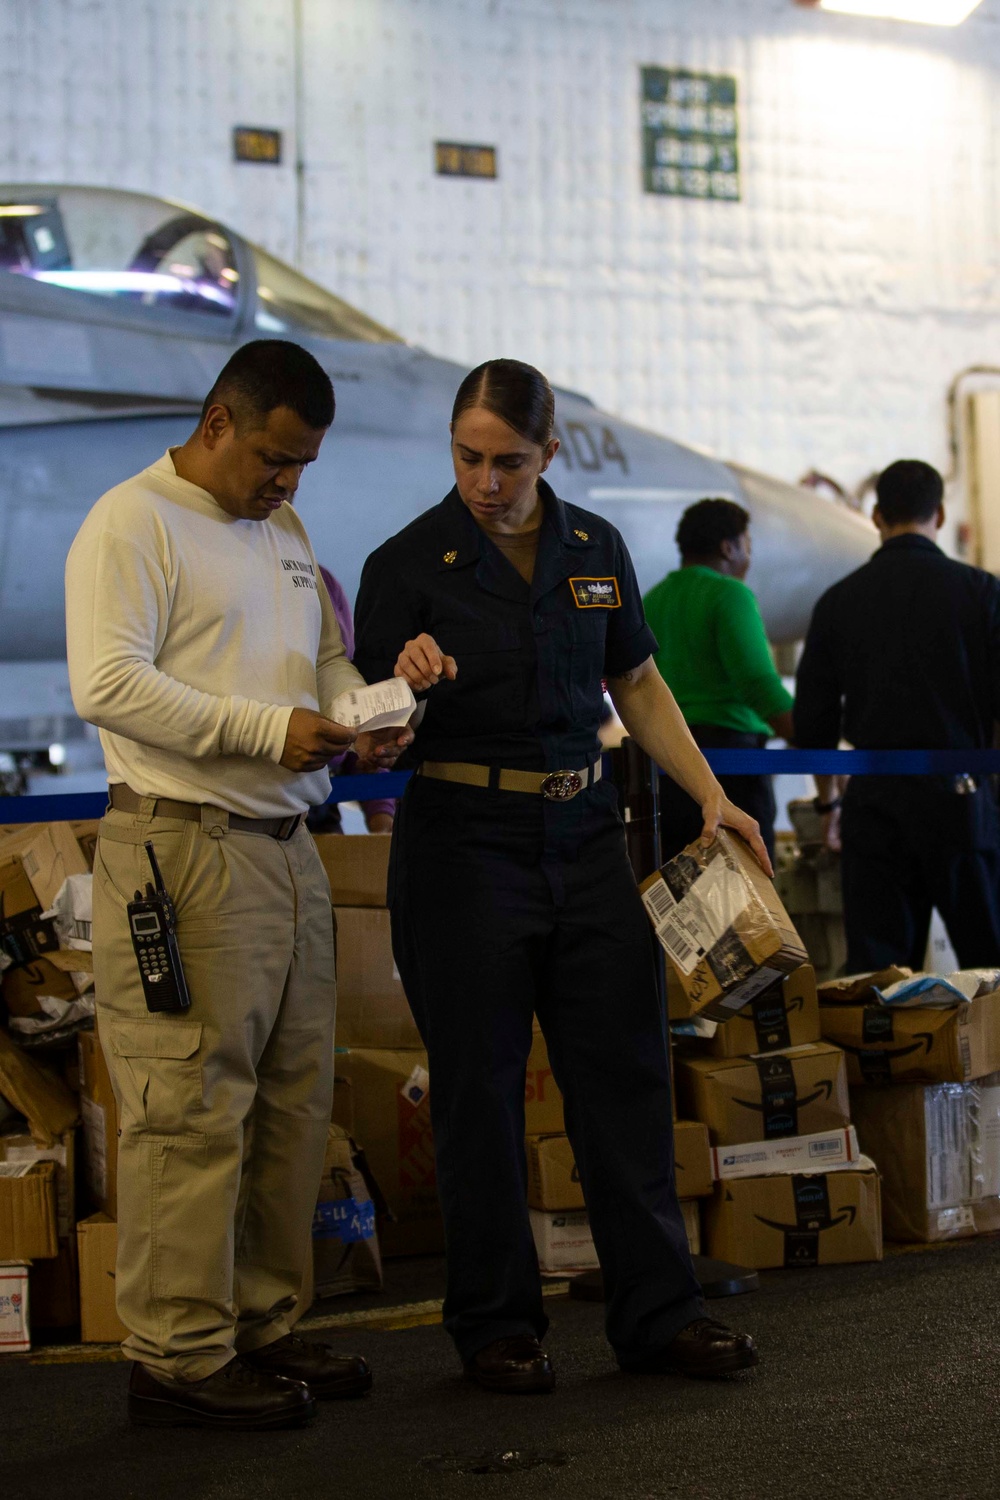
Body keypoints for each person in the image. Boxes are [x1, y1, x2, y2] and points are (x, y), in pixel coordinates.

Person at [353, 358, 766, 1395]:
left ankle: (657, 1314)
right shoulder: (406, 562)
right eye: (468, 458)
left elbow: (635, 680)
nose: (485, 481)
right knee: (479, 1098)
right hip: (462, 846)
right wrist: (399, 690)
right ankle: (496, 1325)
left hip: (585, 834)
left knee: (624, 1081)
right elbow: (362, 732)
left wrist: (712, 795)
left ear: (549, 454)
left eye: (508, 461)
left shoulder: (597, 547)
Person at [65, 340, 410, 1430]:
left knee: (292, 1102)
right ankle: (175, 1357)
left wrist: (359, 712)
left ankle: (262, 1324)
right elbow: (108, 682)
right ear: (218, 421)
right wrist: (271, 730)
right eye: (272, 457)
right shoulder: (132, 522)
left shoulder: (286, 532)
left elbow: (317, 664)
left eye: (302, 464)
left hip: (286, 847)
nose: (286, 482)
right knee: (189, 1108)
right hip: (184, 850)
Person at [795, 458, 1000, 972]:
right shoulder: (980, 592)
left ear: (877, 515)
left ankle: (895, 1054)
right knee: (991, 964)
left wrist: (828, 809)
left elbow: (814, 725)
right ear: (942, 513)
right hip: (965, 801)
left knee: (880, 977)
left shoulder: (838, 601)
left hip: (876, 807)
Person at [643, 499, 794, 864]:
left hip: (667, 764)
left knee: (678, 896)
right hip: (729, 769)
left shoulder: (652, 599)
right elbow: (758, 683)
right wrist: (809, 736)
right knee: (744, 905)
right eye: (748, 546)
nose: (748, 558)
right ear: (729, 547)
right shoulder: (730, 594)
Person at [306, 565, 396, 835]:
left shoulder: (324, 582)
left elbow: (343, 699)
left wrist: (382, 822)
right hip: (255, 803)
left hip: (322, 802)